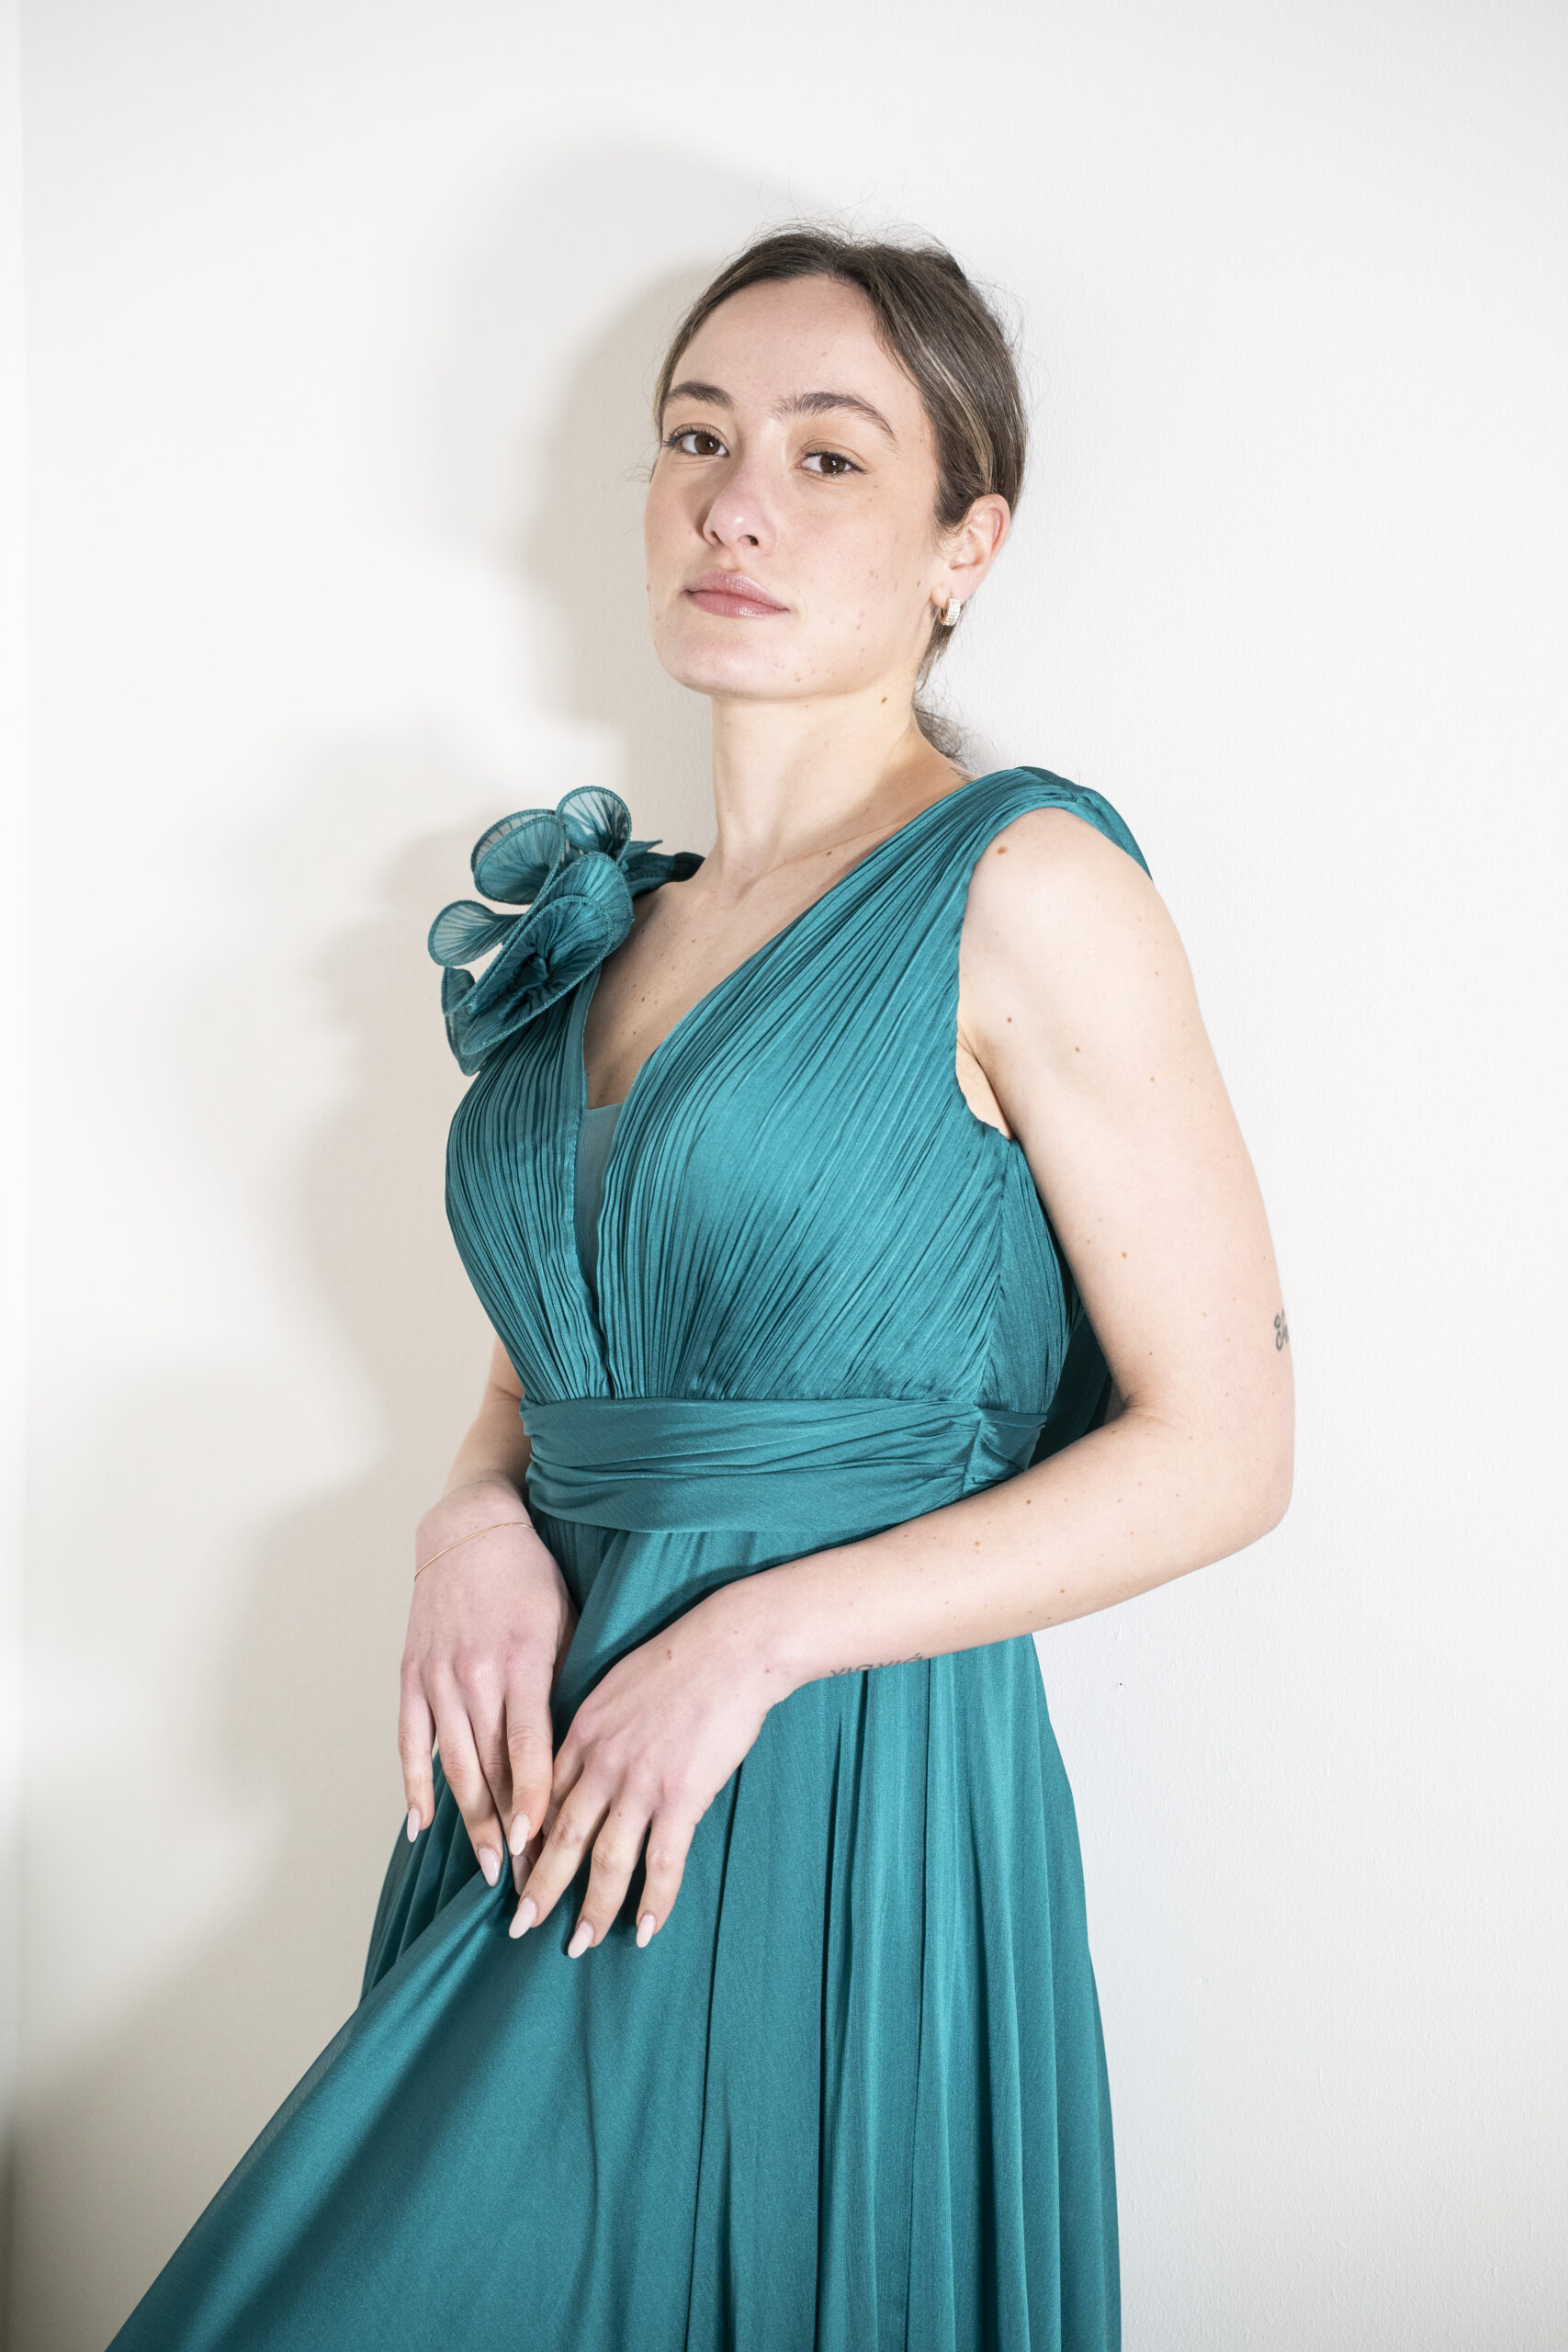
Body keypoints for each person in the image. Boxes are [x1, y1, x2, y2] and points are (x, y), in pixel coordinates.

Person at [108, 226, 1293, 2352]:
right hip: (548, 1781)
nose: (736, 501)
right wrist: (469, 1502)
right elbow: (575, 1335)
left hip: (824, 1775)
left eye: (828, 457)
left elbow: (1223, 1446)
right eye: (695, 438)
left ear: (965, 543)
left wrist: (751, 1638)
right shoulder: (613, 925)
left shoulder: (1024, 887)